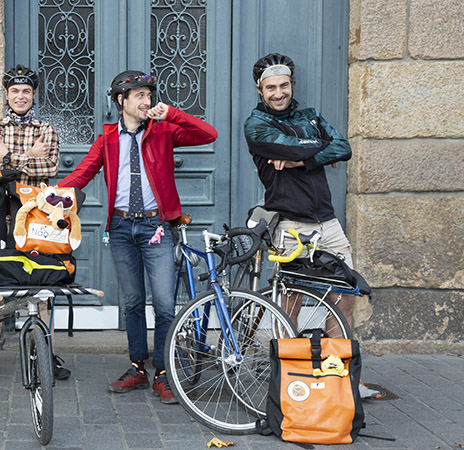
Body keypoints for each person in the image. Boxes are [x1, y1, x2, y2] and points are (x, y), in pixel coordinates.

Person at [58, 70, 218, 403]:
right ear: (122, 101)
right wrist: (51, 196)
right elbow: (83, 172)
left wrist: (171, 113)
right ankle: (136, 368)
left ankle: (163, 371)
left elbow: (208, 133)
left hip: (155, 226)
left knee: (162, 305)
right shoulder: (107, 139)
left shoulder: (163, 131)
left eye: (149, 95)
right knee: (131, 303)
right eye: (140, 96)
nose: (147, 101)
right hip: (119, 228)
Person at [244, 52, 382, 400]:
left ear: (292, 85)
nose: (279, 93)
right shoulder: (255, 124)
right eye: (271, 87)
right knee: (287, 302)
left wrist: (298, 159)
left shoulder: (310, 115)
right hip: (290, 223)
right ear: (260, 90)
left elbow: (343, 146)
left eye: (284, 85)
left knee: (344, 297)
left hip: (328, 222)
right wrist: (316, 150)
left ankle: (343, 378)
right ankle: (286, 376)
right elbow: (318, 147)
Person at [0, 64, 70, 380]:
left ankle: (45, 350)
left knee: (43, 280)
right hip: (1, 212)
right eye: (14, 91)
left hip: (37, 215)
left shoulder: (47, 130)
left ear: (33, 95)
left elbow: (51, 166)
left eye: (26, 91)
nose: (20, 96)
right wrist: (29, 156)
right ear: (6, 95)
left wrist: (11, 158)